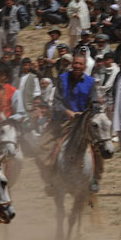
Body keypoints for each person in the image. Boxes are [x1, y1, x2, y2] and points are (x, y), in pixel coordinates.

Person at [35, 55, 102, 193]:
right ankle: (51, 180)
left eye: (80, 64)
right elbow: (57, 102)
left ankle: (94, 179)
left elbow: (95, 104)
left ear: (84, 67)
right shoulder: (62, 79)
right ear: (72, 64)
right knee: (43, 147)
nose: (77, 66)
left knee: (98, 146)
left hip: (83, 122)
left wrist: (86, 114)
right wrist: (68, 112)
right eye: (75, 63)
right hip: (61, 121)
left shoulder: (90, 82)